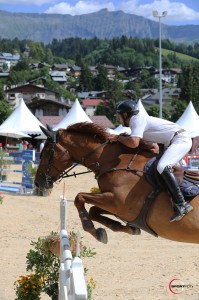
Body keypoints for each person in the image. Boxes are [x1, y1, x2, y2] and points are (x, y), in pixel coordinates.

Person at [110, 99, 193, 222]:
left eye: (119, 115)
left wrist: (118, 138)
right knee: (154, 166)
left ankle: (182, 204)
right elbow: (151, 146)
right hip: (169, 143)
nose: (118, 119)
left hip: (179, 140)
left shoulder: (136, 119)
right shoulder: (137, 122)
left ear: (125, 114)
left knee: (162, 166)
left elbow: (133, 143)